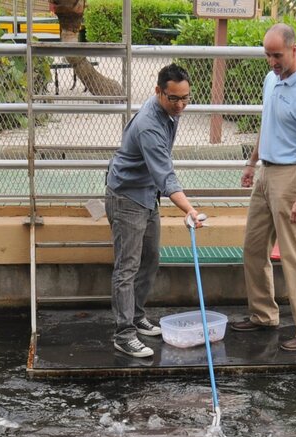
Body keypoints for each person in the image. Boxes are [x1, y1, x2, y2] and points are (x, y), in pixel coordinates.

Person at [230, 23, 296, 352]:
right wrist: (252, 163)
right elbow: (266, 122)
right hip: (267, 173)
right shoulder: (271, 79)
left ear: (294, 50)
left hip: (293, 176)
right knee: (253, 248)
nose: (272, 61)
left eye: (277, 55)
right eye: (267, 55)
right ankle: (263, 315)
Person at [105, 63, 204, 358]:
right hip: (127, 197)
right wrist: (190, 209)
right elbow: (165, 175)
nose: (181, 105)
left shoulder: (170, 111)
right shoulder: (150, 123)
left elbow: (160, 176)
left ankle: (136, 316)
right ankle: (124, 335)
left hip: (148, 194)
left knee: (150, 259)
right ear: (159, 92)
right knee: (127, 266)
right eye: (174, 99)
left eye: (186, 98)